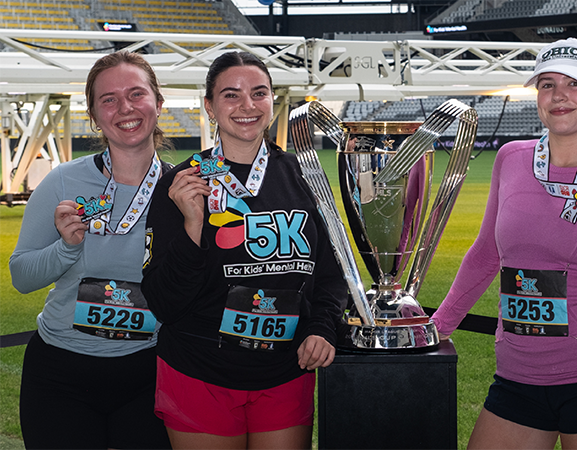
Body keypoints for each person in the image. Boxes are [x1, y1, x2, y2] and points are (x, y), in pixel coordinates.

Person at [431, 38, 577, 449]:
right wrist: (437, 328)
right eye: (547, 84)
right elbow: (486, 254)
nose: (559, 96)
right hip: (517, 377)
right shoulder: (511, 158)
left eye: (575, 84)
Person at [141, 51, 345, 449]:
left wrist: (322, 327)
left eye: (259, 92)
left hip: (286, 370)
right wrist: (193, 226)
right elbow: (164, 303)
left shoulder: (304, 177)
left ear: (273, 100)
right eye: (231, 95)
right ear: (209, 106)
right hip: (199, 372)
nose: (248, 105)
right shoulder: (182, 184)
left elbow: (332, 272)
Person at [9, 51, 172, 449]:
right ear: (95, 115)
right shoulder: (63, 181)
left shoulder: (181, 189)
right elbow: (22, 277)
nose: (125, 108)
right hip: (61, 374)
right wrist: (65, 248)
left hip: (150, 373)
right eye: (109, 99)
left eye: (136, 94)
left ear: (157, 103)